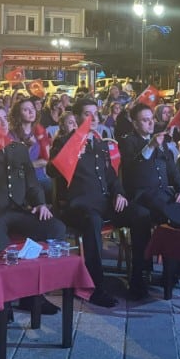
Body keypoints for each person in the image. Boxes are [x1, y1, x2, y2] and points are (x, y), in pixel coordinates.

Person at [0, 104, 70, 314]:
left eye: (3, 118)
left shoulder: (17, 149)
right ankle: (0, 300)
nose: (1, 123)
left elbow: (31, 182)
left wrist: (40, 204)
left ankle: (32, 294)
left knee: (55, 229)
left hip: (16, 210)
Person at [50, 99, 151, 303]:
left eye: (95, 113)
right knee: (93, 221)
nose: (93, 118)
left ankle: (138, 278)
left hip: (104, 201)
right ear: (77, 118)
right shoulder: (64, 142)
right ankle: (95, 286)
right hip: (79, 204)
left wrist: (119, 193)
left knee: (141, 215)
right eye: (88, 113)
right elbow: (50, 171)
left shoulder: (98, 142)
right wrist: (71, 150)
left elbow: (111, 175)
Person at [9, 98, 53, 201]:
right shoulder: (12, 135)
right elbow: (15, 164)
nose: (31, 111)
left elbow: (46, 160)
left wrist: (28, 165)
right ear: (18, 114)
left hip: (40, 177)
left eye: (32, 108)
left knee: (48, 187)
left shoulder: (40, 131)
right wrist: (28, 148)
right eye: (25, 110)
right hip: (21, 179)